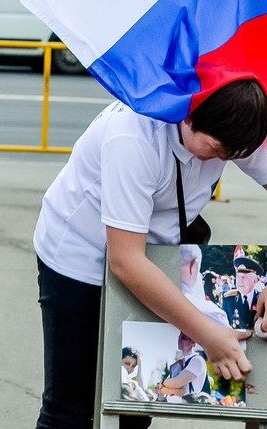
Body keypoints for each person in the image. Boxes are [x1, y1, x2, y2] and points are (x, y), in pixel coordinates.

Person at [33, 80, 267, 428]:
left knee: (136, 402)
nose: (225, 159)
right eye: (217, 149)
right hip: (80, 256)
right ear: (189, 116)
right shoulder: (132, 136)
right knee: (71, 406)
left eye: (235, 153)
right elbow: (126, 261)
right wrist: (207, 334)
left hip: (156, 256)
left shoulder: (237, 120)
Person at [158, 332, 208, 403]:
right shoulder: (179, 362)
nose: (180, 339)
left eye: (184, 338)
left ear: (193, 343)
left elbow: (177, 383)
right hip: (172, 406)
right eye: (180, 336)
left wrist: (162, 383)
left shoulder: (197, 360)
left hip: (186, 408)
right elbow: (163, 389)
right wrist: (166, 387)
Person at [220, 255, 264, 330]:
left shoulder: (262, 298)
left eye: (244, 277)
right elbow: (224, 325)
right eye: (238, 277)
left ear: (255, 281)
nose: (240, 281)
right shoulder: (228, 298)